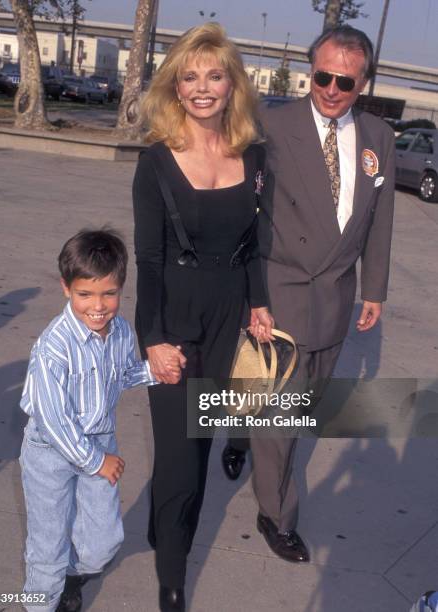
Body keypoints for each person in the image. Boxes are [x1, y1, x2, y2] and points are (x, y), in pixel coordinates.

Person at [222, 25, 395, 563]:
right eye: (322, 76)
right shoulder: (272, 126)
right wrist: (247, 292)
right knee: (280, 419)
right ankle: (276, 514)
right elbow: (238, 211)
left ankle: (237, 431)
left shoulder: (379, 138)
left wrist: (375, 288)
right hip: (280, 292)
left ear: (363, 82)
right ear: (309, 71)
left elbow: (379, 219)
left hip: (338, 295)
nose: (331, 89)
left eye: (345, 80)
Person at [133, 22, 273, 612]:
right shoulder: (156, 162)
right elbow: (149, 258)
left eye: (214, 75)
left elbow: (258, 241)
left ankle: (165, 528)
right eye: (189, 76)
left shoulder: (256, 154)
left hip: (229, 319)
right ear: (174, 86)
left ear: (232, 84)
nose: (202, 87)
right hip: (175, 317)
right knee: (181, 465)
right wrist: (152, 339)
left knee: (202, 440)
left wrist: (260, 303)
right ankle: (172, 575)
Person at [19, 229, 168, 612]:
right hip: (49, 453)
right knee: (47, 546)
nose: (98, 306)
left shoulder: (119, 331)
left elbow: (121, 376)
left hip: (100, 441)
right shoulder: (53, 347)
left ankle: (72, 574)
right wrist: (96, 461)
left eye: (109, 293)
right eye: (86, 294)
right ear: (66, 288)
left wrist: (156, 372)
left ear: (121, 288)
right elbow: (52, 420)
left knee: (102, 545)